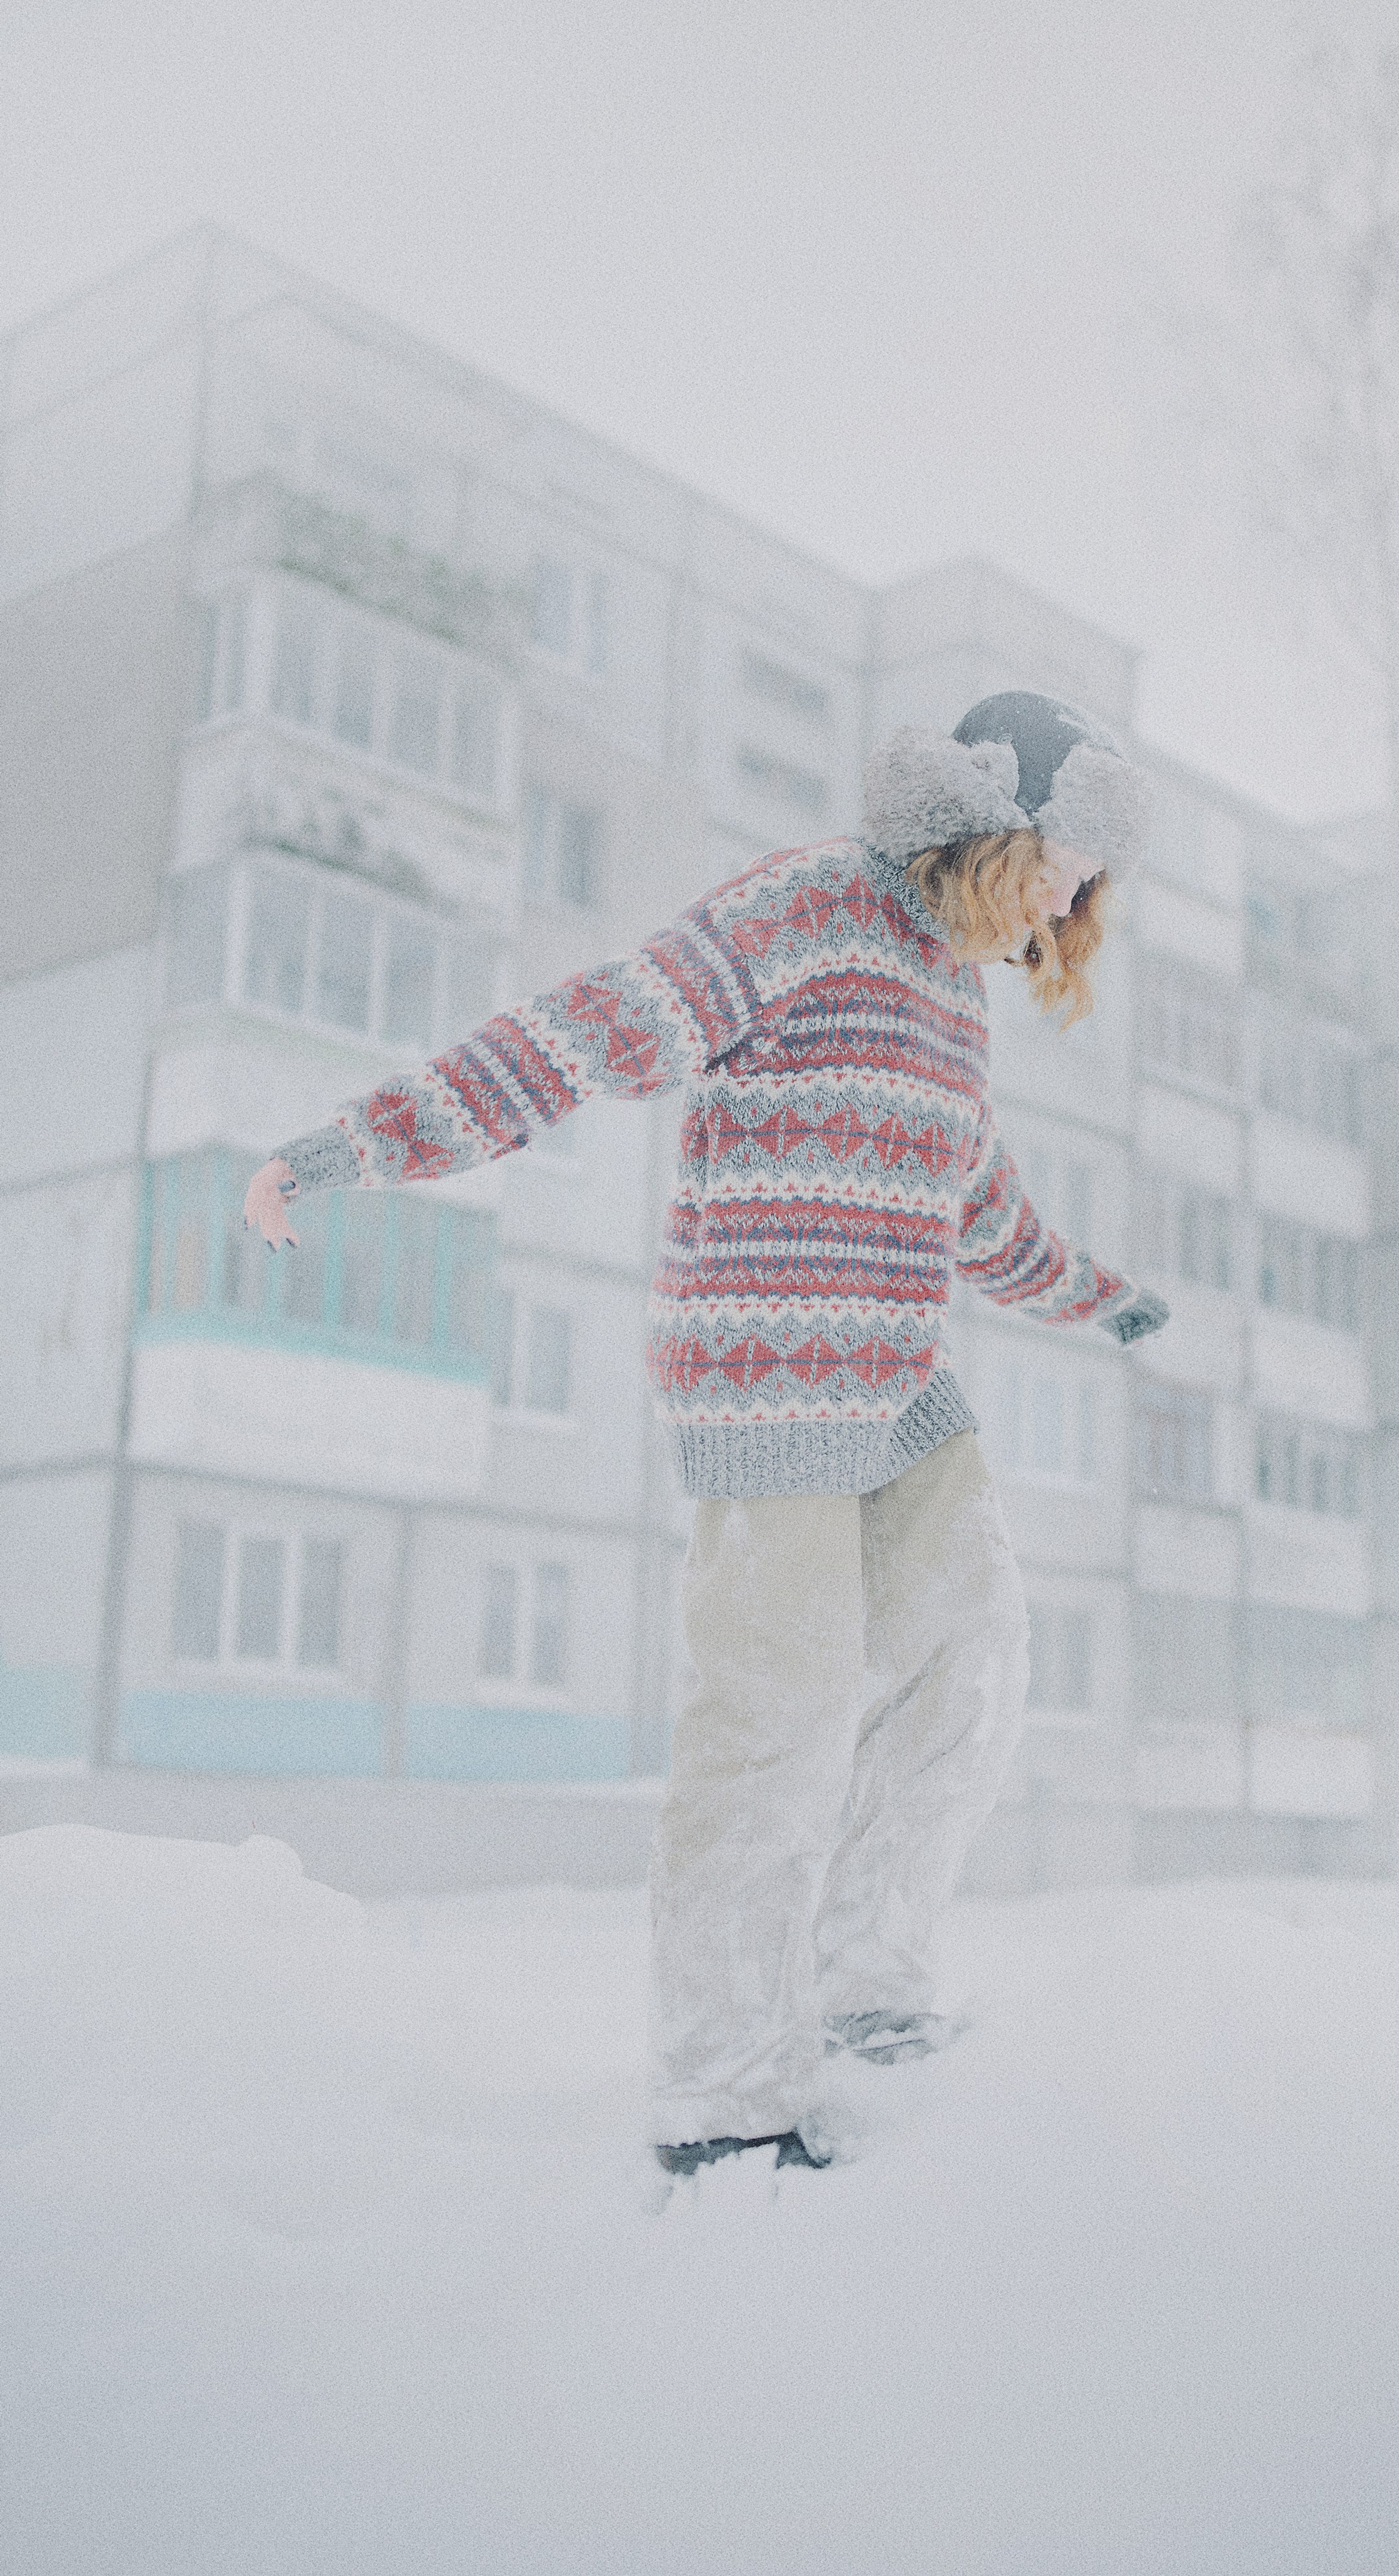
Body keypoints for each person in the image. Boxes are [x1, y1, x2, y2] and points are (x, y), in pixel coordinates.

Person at [243, 688, 1170, 2178]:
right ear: (993, 825)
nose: (1074, 899)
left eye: (1090, 881)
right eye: (1068, 860)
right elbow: (587, 1030)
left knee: (971, 1661)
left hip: (898, 1386)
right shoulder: (811, 904)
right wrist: (355, 1145)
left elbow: (976, 1207)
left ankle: (867, 1996)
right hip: (765, 1389)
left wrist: (1104, 1300)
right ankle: (726, 2094)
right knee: (778, 1734)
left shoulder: (954, 989)